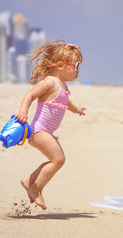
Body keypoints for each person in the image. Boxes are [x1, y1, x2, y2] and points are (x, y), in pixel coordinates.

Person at [15, 39, 86, 210]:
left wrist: (75, 109)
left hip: (47, 132)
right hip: (39, 131)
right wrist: (23, 112)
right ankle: (34, 187)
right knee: (58, 159)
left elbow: (65, 101)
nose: (78, 71)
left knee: (55, 160)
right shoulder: (49, 82)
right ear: (61, 66)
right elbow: (30, 95)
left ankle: (29, 181)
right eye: (75, 66)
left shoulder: (62, 86)